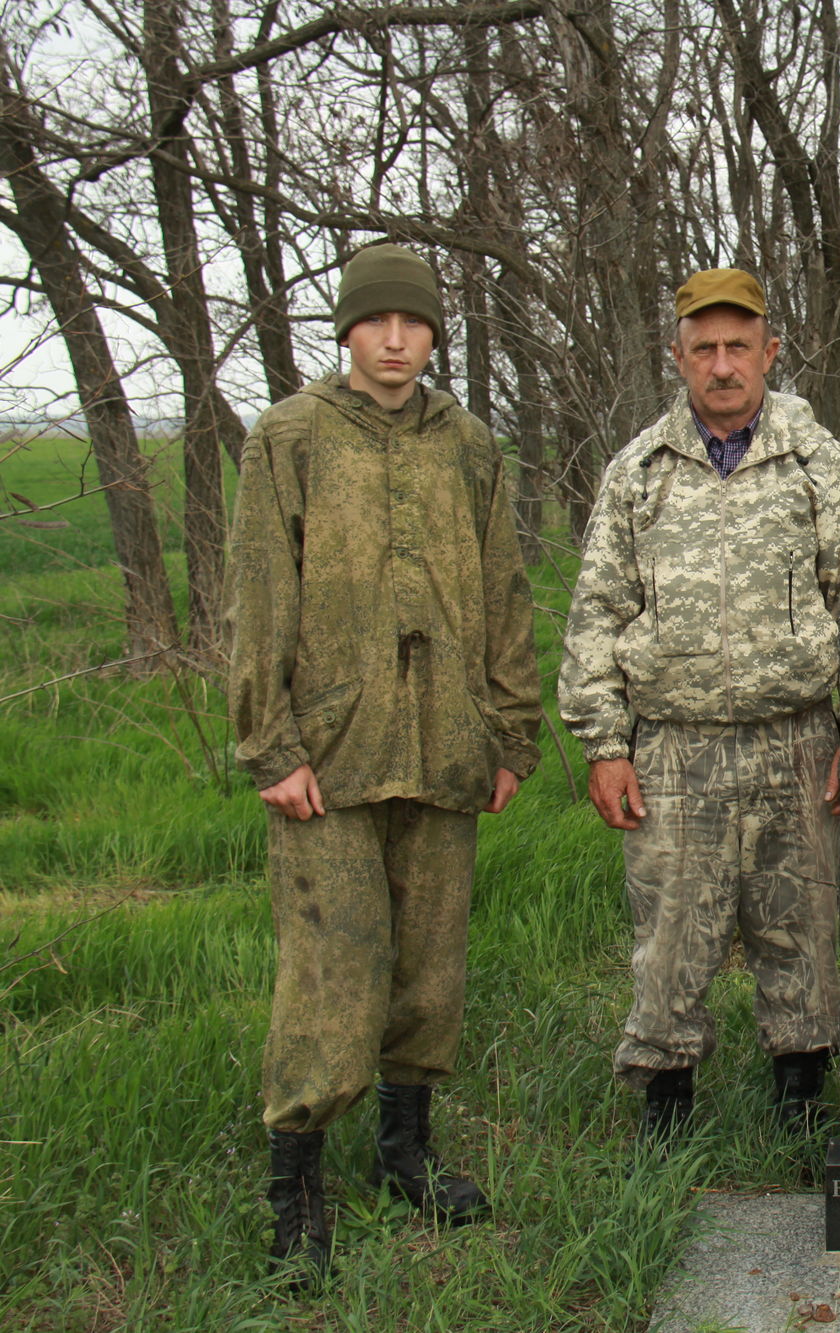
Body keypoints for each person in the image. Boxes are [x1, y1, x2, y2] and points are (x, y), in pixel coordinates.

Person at [225, 242, 542, 1284]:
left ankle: (406, 1152)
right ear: (348, 331)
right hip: (329, 753)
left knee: (430, 967)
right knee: (332, 967)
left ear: (435, 333)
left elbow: (503, 592)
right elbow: (259, 590)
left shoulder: (471, 445)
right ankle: (298, 1189)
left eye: (414, 322)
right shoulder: (290, 436)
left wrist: (509, 730)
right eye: (376, 321)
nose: (396, 340)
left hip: (446, 743)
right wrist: (270, 743)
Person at [558, 267, 840, 1146]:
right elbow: (596, 614)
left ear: (768, 351)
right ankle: (666, 1109)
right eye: (702, 347)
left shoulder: (816, 461)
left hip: (798, 739)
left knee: (802, 925)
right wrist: (605, 744)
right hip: (675, 746)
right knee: (672, 932)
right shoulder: (639, 472)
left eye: (737, 345)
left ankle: (800, 1104)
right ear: (676, 356)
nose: (720, 364)